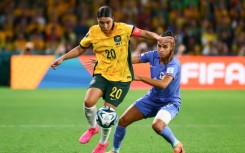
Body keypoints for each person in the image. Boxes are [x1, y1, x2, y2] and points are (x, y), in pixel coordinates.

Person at [51, 6, 174, 153]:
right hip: (102, 73)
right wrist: (62, 58)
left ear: (113, 19)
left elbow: (144, 33)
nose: (105, 26)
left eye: (108, 22)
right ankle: (92, 128)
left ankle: (103, 143)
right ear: (97, 21)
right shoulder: (93, 31)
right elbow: (80, 48)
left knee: (107, 114)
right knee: (88, 102)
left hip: (121, 79)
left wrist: (158, 37)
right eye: (101, 22)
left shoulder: (123, 29)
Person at [106, 30, 185, 153]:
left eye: (165, 47)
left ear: (171, 48)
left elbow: (163, 84)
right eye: (159, 46)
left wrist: (140, 77)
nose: (161, 50)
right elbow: (130, 60)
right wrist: (107, 62)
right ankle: (115, 151)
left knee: (157, 126)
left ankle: (176, 143)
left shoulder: (173, 64)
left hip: (170, 102)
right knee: (122, 121)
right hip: (152, 98)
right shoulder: (153, 55)